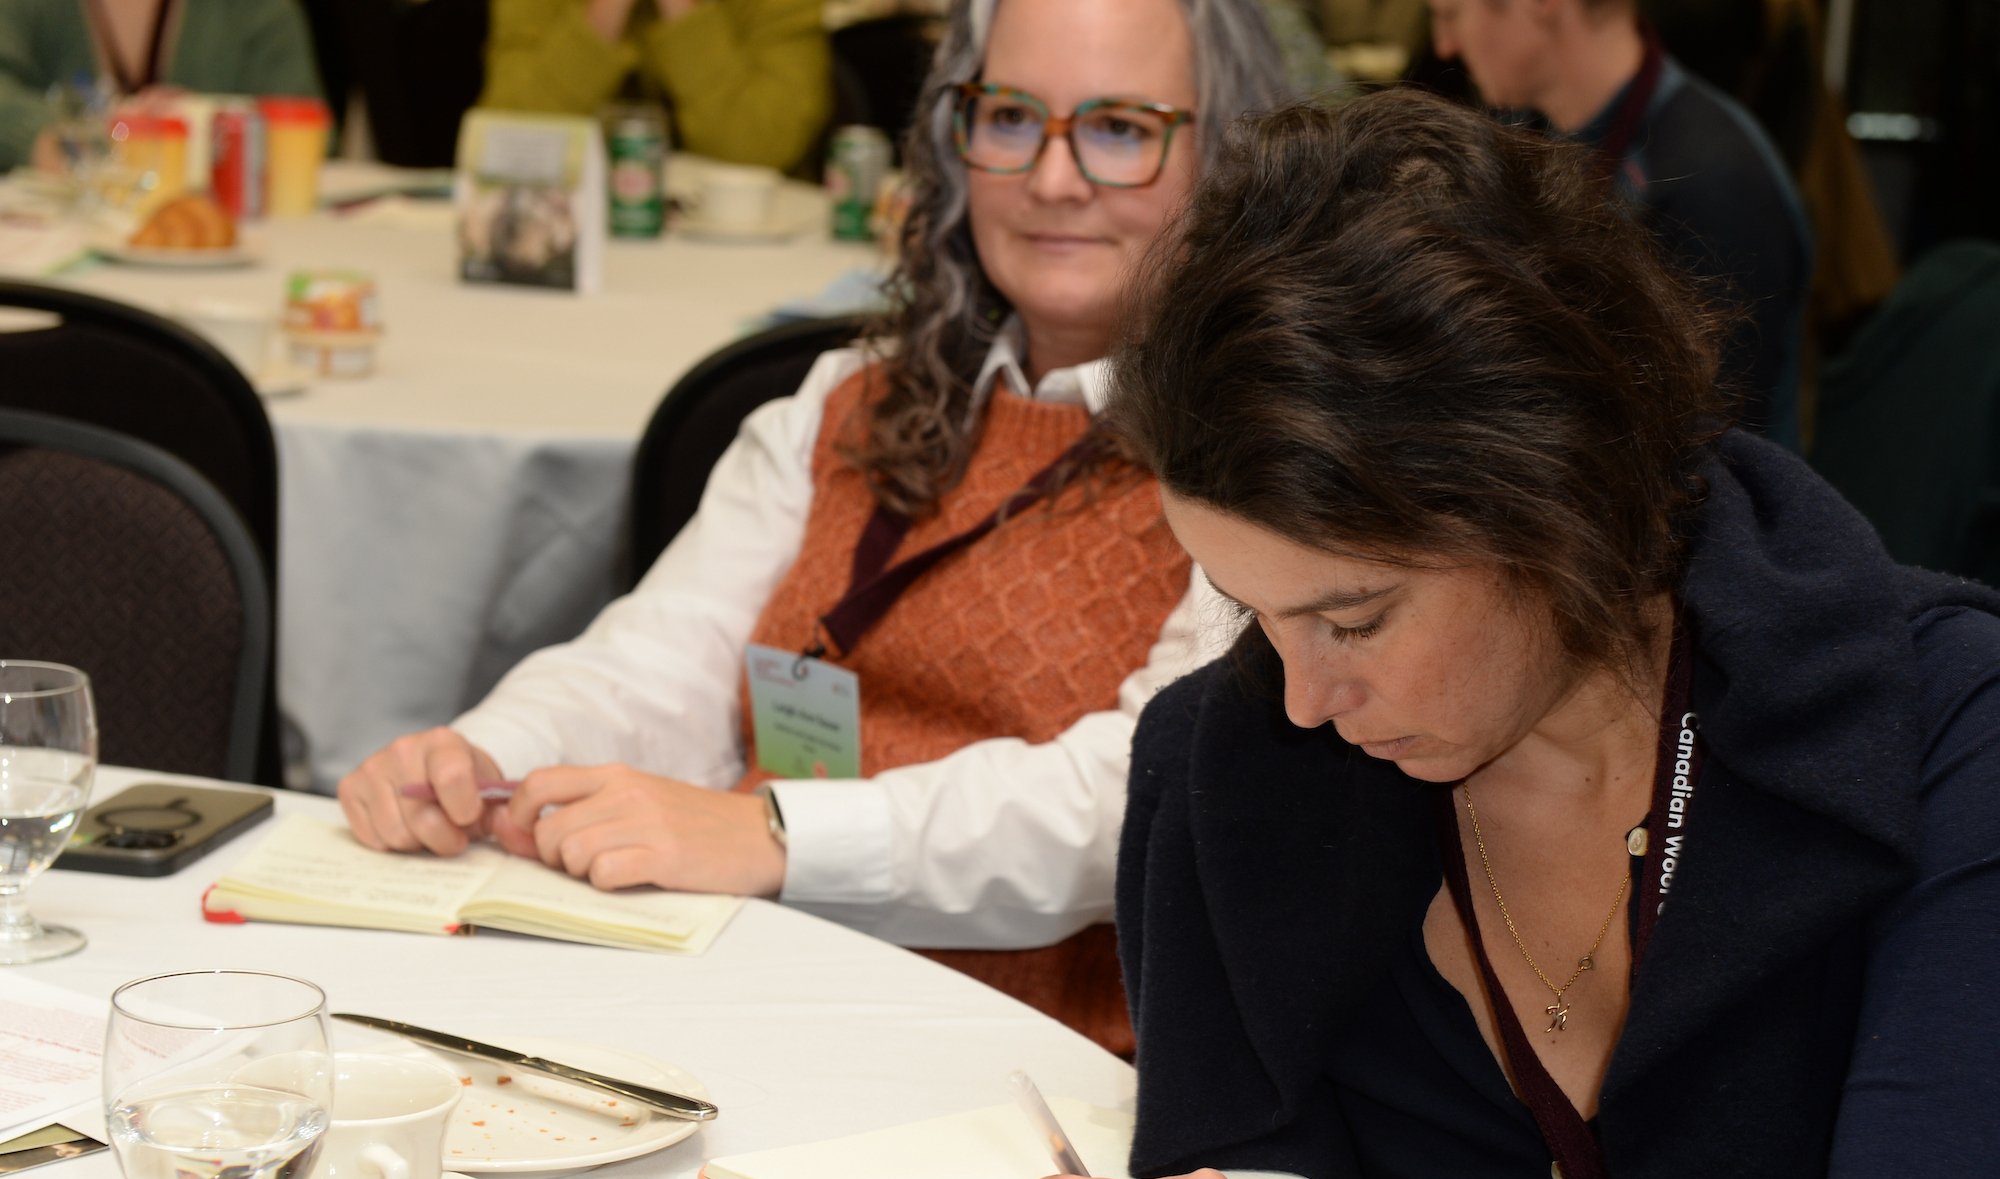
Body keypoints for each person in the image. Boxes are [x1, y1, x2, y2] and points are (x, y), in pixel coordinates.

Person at [1026, 91, 2000, 1179]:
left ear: (1556, 502)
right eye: (1251, 612)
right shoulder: (1230, 766)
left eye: (1354, 617)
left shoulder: (1957, 727)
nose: (1308, 695)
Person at [341, 0, 1293, 1053]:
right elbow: (666, 656)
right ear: (953, 137)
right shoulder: (848, 396)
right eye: (1011, 117)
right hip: (734, 976)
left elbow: (1134, 795)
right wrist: (483, 758)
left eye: (1120, 129)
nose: (1053, 178)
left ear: (1230, 160)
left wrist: (777, 835)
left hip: (1043, 1056)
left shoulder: (1260, 462)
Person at [1425, 0, 1809, 444]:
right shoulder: (1528, 132)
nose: (1445, 45)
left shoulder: (1712, 185)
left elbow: (1711, 441)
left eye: (1450, 13)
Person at [479, 0, 832, 172]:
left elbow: (761, 146)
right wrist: (605, 13)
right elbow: (508, 143)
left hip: (743, 254)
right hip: (569, 235)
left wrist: (680, 10)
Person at [0, 0, 323, 170]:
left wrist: (207, 120)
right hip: (56, 244)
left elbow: (306, 122)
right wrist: (52, 138)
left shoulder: (256, 10)